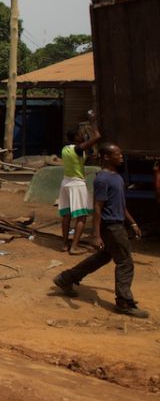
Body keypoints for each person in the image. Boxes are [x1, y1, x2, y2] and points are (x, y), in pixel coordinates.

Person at [54, 143, 148, 319]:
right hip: (111, 226)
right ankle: (124, 302)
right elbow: (98, 207)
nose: (121, 156)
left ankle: (66, 278)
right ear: (106, 157)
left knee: (103, 256)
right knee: (125, 262)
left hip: (118, 223)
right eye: (117, 154)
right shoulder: (102, 179)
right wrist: (96, 235)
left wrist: (133, 223)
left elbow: (121, 204)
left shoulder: (117, 178)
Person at [58, 119, 101, 254]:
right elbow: (97, 137)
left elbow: (82, 156)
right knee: (81, 216)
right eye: (80, 134)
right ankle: (74, 247)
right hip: (77, 184)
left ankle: (65, 244)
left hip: (66, 183)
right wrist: (93, 124)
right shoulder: (77, 148)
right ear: (76, 137)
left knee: (66, 215)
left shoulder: (65, 149)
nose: (83, 135)